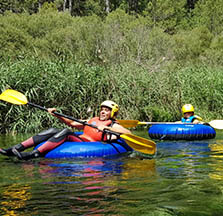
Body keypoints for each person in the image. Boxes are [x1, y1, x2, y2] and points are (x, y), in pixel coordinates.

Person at [0, 100, 131, 160]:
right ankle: (15, 149)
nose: (103, 111)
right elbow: (72, 123)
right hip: (82, 139)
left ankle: (35, 154)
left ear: (112, 113)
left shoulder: (113, 125)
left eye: (107, 110)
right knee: (52, 130)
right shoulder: (92, 120)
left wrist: (106, 127)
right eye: (102, 109)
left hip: (88, 144)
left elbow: (128, 133)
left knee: (66, 132)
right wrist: (56, 114)